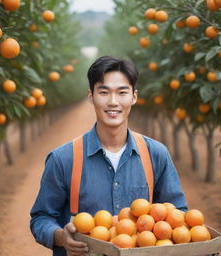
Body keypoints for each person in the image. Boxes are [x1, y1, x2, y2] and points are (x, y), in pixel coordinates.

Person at [30, 56, 188, 256]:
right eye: (104, 92)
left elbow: (178, 215)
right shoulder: (63, 159)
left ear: (134, 97)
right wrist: (61, 236)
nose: (113, 102)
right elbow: (41, 218)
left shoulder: (155, 154)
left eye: (122, 92)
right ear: (91, 96)